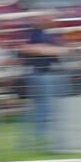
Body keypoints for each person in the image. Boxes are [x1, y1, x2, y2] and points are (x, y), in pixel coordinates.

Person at [19, 10, 70, 150]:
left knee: (47, 109)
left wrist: (52, 50)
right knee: (42, 109)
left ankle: (37, 141)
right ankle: (39, 140)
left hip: (51, 74)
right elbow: (30, 49)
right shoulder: (32, 33)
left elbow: (65, 49)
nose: (49, 19)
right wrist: (54, 50)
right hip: (39, 74)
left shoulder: (50, 33)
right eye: (44, 17)